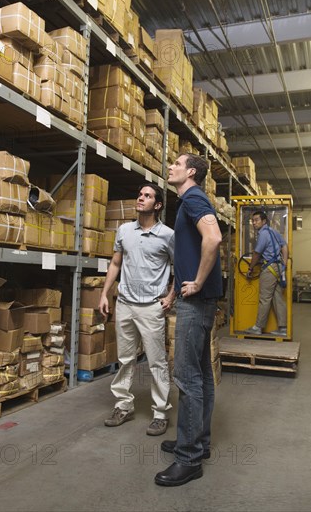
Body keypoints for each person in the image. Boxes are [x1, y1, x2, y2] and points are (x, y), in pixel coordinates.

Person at [155, 153, 222, 487]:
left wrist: (194, 283)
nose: (170, 167)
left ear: (191, 171)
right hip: (196, 300)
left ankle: (189, 458)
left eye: (176, 164)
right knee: (203, 377)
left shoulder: (194, 198)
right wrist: (174, 292)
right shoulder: (187, 201)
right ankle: (198, 442)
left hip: (196, 302)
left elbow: (213, 238)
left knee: (187, 377)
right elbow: (191, 251)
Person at [99, 183, 175, 436]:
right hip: (125, 304)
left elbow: (181, 267)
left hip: (152, 307)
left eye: (147, 196)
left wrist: (171, 295)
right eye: (140, 194)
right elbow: (115, 263)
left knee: (157, 362)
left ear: (158, 205)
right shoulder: (124, 230)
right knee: (125, 359)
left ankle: (161, 412)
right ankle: (123, 405)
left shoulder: (168, 235)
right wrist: (105, 293)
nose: (140, 198)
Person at [245, 210, 288, 337]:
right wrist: (284, 264)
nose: (254, 222)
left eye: (257, 220)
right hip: (278, 268)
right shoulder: (274, 231)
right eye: (253, 220)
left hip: (269, 269)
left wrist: (250, 268)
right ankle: (283, 328)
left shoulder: (263, 234)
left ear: (264, 221)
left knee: (264, 299)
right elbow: (284, 246)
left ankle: (258, 327)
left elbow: (257, 253)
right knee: (277, 298)